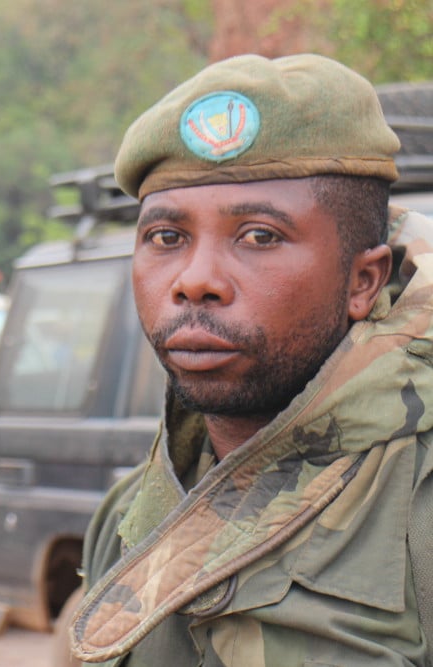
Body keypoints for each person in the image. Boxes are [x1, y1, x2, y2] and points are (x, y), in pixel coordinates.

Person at [68, 54, 433, 666]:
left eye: (259, 236)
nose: (195, 280)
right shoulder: (132, 513)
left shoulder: (416, 504)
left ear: (363, 281)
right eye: (166, 238)